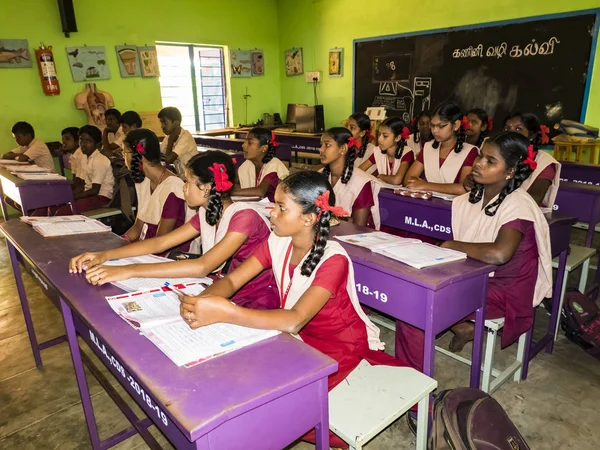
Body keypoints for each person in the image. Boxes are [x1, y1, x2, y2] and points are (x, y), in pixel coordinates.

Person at [179, 171, 405, 448]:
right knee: (246, 387)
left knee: (286, 411)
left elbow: (295, 320)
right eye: (274, 204)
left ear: (309, 218)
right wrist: (202, 301)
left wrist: (225, 312)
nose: (271, 213)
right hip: (297, 339)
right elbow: (233, 280)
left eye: (281, 207)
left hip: (339, 346)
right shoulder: (278, 241)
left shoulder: (333, 259)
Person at [395, 132, 552, 369]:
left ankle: (412, 383)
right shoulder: (476, 197)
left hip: (505, 290)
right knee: (416, 284)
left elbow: (500, 254)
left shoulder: (517, 203)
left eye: (491, 161)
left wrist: (450, 245)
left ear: (510, 172)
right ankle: (461, 327)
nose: (478, 163)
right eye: (480, 156)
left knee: (415, 306)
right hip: (478, 275)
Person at [69, 150, 279, 311]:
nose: (183, 187)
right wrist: (105, 255)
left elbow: (202, 267)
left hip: (258, 297)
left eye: (188, 181)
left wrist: (128, 270)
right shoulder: (207, 213)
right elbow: (160, 243)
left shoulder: (244, 217)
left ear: (206, 187)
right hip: (228, 287)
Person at [120, 129, 193, 250]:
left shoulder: (172, 189)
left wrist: (123, 251)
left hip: (165, 254)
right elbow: (137, 228)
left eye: (125, 153)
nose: (123, 157)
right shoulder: (144, 181)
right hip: (147, 245)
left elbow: (160, 241)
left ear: (137, 156)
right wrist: (117, 243)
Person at [35, 125, 114, 215]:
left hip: (101, 197)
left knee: (61, 212)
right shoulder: (85, 157)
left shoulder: (100, 160)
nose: (83, 144)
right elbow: (81, 182)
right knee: (52, 207)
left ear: (97, 144)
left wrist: (71, 196)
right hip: (88, 193)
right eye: (81, 140)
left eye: (88, 141)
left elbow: (94, 190)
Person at [404, 102, 478, 195]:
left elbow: (463, 188)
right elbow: (408, 179)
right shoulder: (428, 147)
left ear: (456, 125)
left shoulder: (470, 151)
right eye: (433, 125)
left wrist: (426, 185)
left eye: (441, 126)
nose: (435, 130)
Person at [319, 127, 380, 229]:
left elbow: (359, 227)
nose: (321, 149)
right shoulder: (320, 176)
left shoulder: (361, 182)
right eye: (321, 145)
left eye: (327, 145)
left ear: (343, 149)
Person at [503, 112, 561, 207]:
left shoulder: (543, 162)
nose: (510, 133)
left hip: (523, 213)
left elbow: (534, 199)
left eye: (518, 129)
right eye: (507, 128)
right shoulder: (497, 154)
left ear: (532, 136)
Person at [232, 128, 289, 202]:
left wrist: (230, 193)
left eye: (249, 142)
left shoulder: (274, 165)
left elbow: (260, 191)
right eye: (245, 141)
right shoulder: (245, 166)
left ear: (264, 148)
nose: (243, 145)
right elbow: (237, 185)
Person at [359, 117, 414, 185]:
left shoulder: (407, 153)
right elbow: (359, 170)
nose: (379, 139)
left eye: (385, 136)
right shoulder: (378, 151)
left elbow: (396, 180)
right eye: (379, 134)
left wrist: (380, 176)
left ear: (397, 138)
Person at [158, 107, 197, 177]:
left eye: (165, 122)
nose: (162, 126)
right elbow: (159, 154)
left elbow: (168, 160)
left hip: (194, 177)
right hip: (183, 177)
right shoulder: (168, 137)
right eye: (161, 122)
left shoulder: (185, 137)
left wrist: (170, 141)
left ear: (176, 123)